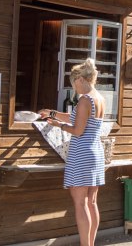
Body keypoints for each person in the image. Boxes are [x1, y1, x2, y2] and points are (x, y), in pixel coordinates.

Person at [39, 59, 106, 246]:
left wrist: (58, 125)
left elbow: (77, 130)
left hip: (82, 152)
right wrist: (53, 113)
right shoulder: (98, 98)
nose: (74, 89)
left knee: (80, 203)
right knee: (92, 202)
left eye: (74, 84)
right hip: (95, 152)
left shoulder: (85, 100)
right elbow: (78, 118)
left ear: (82, 80)